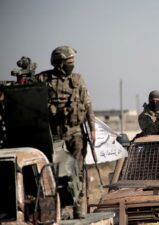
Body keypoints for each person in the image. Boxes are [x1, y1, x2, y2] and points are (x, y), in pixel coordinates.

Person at [35, 46, 95, 219]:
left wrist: (92, 129)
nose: (72, 65)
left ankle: (78, 208)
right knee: (54, 173)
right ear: (59, 62)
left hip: (75, 133)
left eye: (73, 61)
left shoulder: (78, 79)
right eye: (69, 62)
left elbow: (88, 104)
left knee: (77, 171)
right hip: (54, 135)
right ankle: (58, 209)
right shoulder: (44, 79)